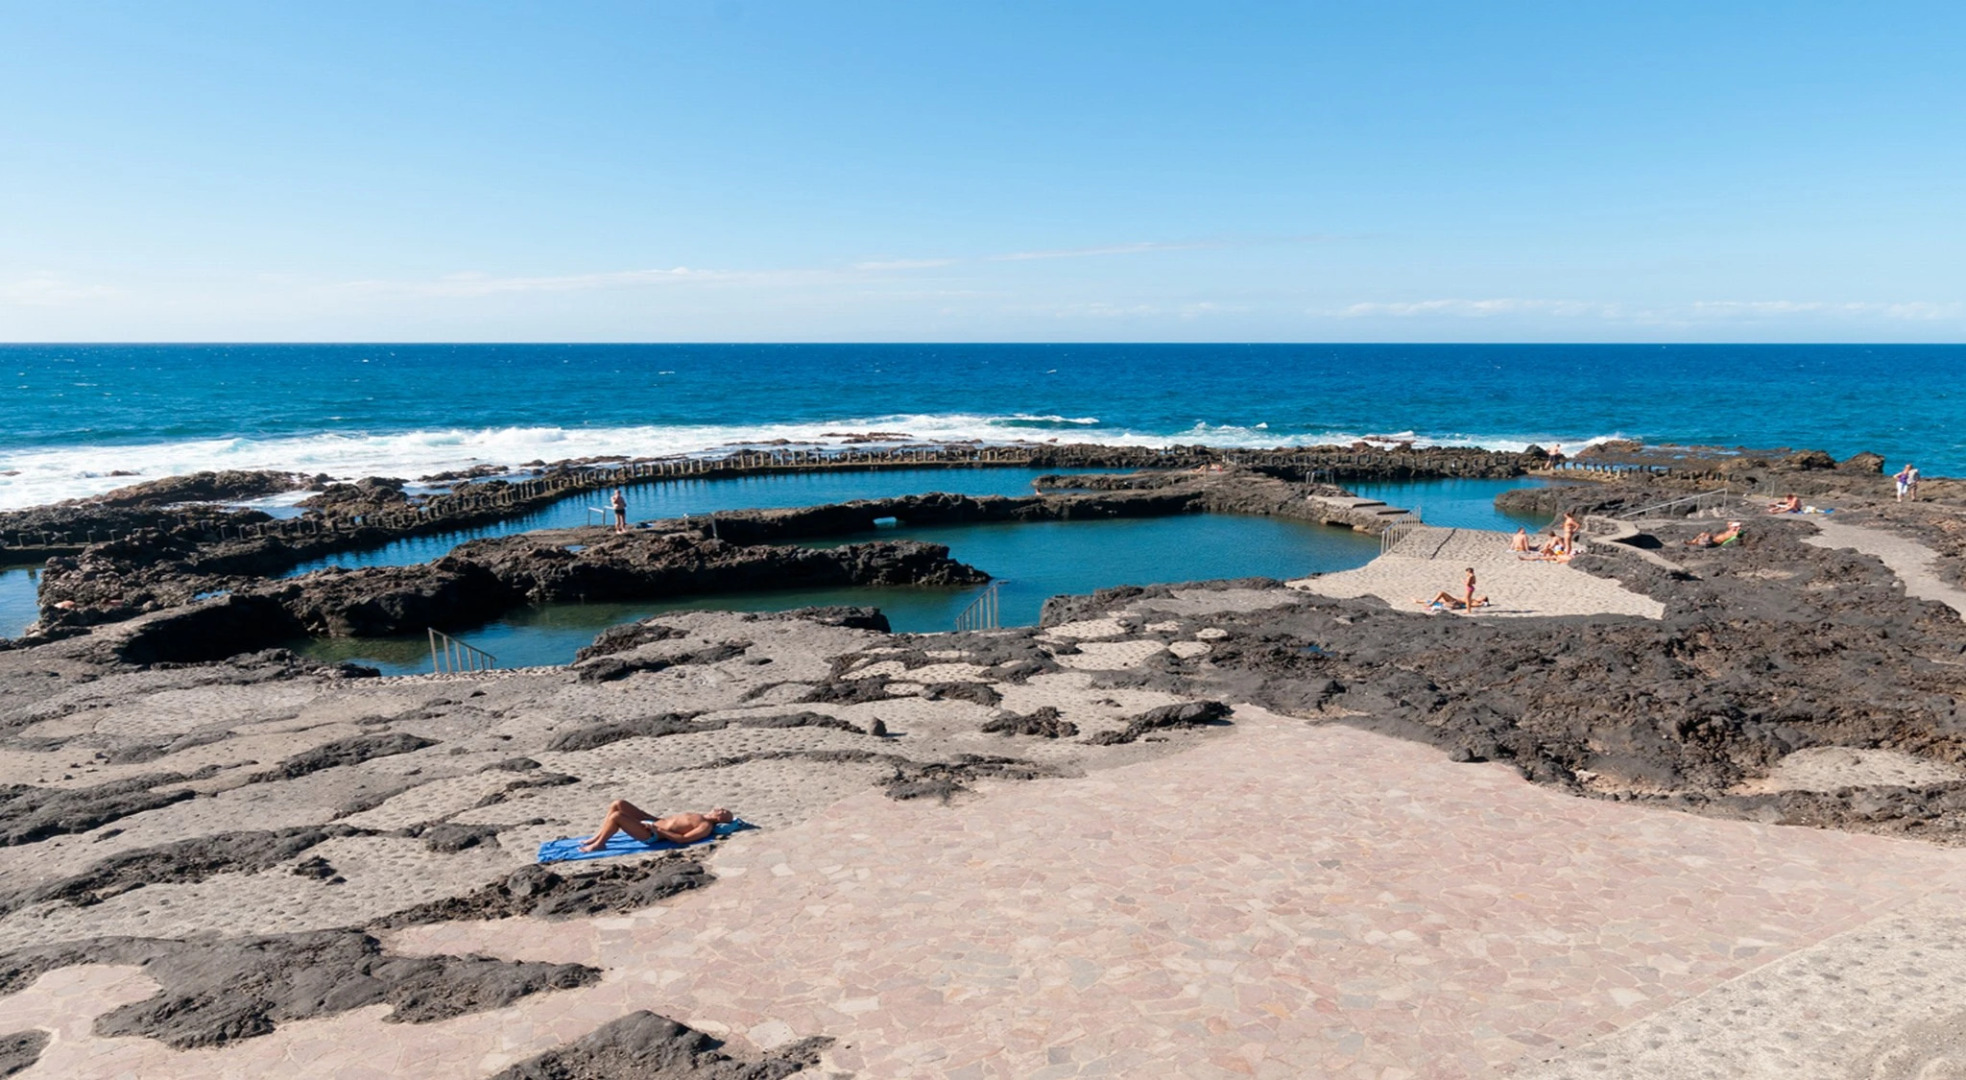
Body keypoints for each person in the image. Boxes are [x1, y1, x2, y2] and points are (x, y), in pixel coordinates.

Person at [578, 802, 733, 852]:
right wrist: (654, 820)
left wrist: (657, 830)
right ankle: (598, 836)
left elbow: (683, 839)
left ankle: (600, 844)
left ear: (720, 819)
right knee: (618, 804)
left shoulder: (705, 826)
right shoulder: (701, 816)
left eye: (723, 811)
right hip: (655, 822)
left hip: (652, 834)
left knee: (616, 816)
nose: (720, 808)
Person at [1417, 591, 1489, 612]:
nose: (1480, 596)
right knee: (1440, 599)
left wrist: (1482, 604)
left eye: (1482, 597)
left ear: (1482, 600)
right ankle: (1419, 601)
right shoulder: (1474, 600)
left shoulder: (1476, 602)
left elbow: (1470, 605)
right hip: (1455, 601)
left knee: (1442, 593)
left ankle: (1431, 604)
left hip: (1455, 603)